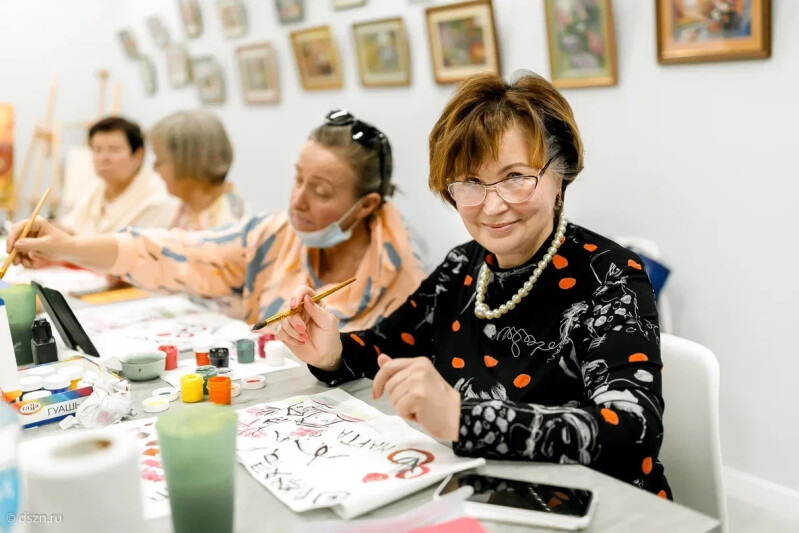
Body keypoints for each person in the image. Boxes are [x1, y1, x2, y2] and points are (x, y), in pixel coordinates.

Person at [276, 73, 672, 498]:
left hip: (601, 509)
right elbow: (386, 347)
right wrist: (332, 352)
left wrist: (465, 420)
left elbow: (633, 433)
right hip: (483, 495)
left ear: (561, 176)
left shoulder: (611, 275)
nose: (493, 204)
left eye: (516, 177)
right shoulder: (462, 267)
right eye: (471, 182)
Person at [7, 110, 426, 328]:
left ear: (367, 206)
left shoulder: (405, 278)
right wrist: (65, 246)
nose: (296, 201)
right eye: (297, 179)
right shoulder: (272, 234)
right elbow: (165, 251)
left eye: (320, 192)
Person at [59, 117, 177, 234]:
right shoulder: (97, 186)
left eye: (114, 150)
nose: (104, 158)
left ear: (139, 155)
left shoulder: (157, 199)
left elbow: (133, 247)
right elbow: (71, 226)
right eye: (97, 150)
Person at [149, 110, 247, 231]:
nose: (154, 169)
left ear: (187, 163)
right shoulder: (187, 205)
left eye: (160, 161)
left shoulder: (229, 225)